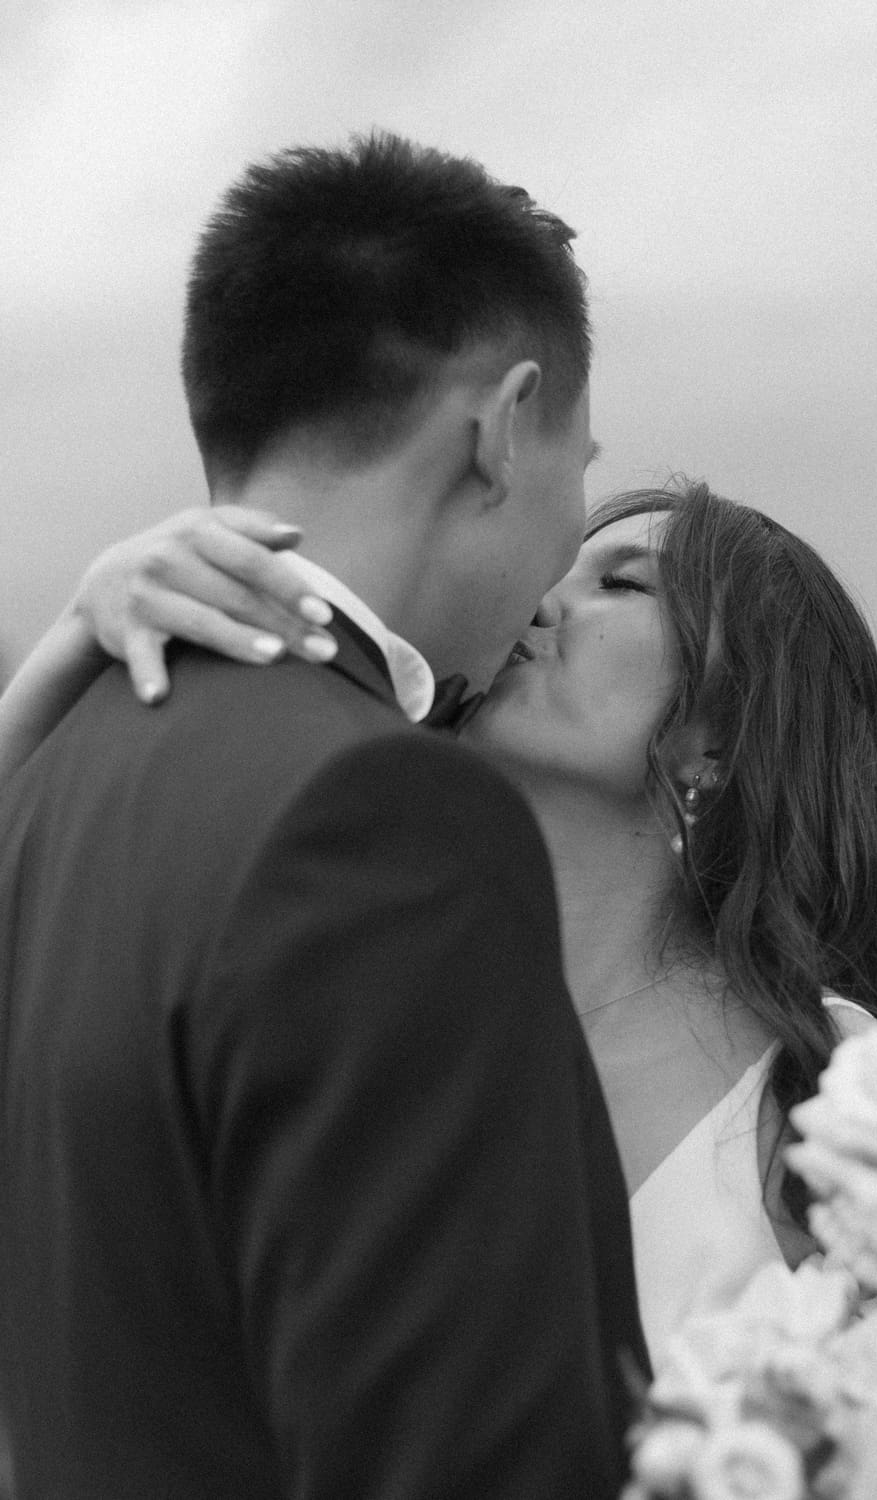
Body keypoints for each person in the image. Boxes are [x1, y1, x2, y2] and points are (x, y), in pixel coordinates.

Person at [0, 133, 650, 1499]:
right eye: (578, 467)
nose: (562, 564)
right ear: (502, 426)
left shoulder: (57, 775)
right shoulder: (384, 812)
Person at [10, 478, 877, 1373]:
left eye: (624, 585)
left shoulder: (847, 1102)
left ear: (715, 737)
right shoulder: (345, 1007)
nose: (538, 598)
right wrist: (66, 651)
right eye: (555, 567)